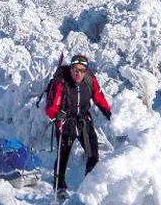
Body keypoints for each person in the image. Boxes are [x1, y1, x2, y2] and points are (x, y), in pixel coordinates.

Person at [44, 54, 112, 198]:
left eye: (81, 70)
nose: (78, 73)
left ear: (86, 71)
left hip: (84, 121)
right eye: (75, 69)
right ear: (70, 69)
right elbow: (50, 107)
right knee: (63, 156)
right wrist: (57, 115)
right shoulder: (61, 82)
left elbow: (99, 98)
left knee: (93, 155)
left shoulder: (90, 81)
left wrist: (109, 113)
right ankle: (59, 187)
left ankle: (90, 186)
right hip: (65, 123)